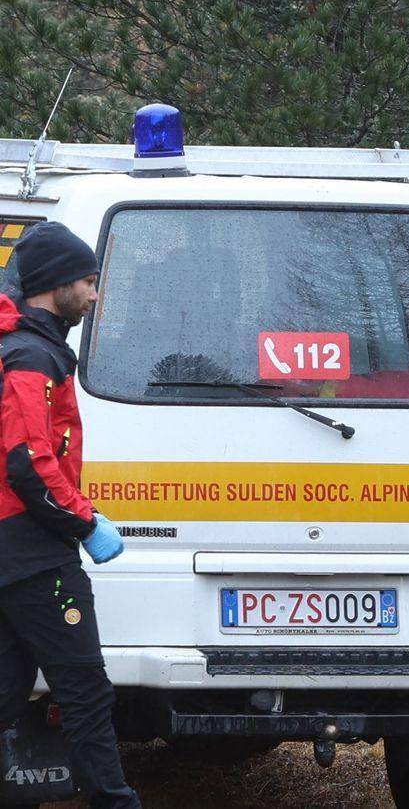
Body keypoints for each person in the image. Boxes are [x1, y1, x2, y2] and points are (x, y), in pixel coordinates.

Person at [0, 222, 141, 809]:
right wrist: (85, 522)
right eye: (88, 280)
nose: (95, 293)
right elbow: (28, 463)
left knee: (6, 695)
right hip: (35, 554)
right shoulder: (31, 356)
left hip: (19, 550)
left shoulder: (30, 348)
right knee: (84, 689)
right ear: (55, 283)